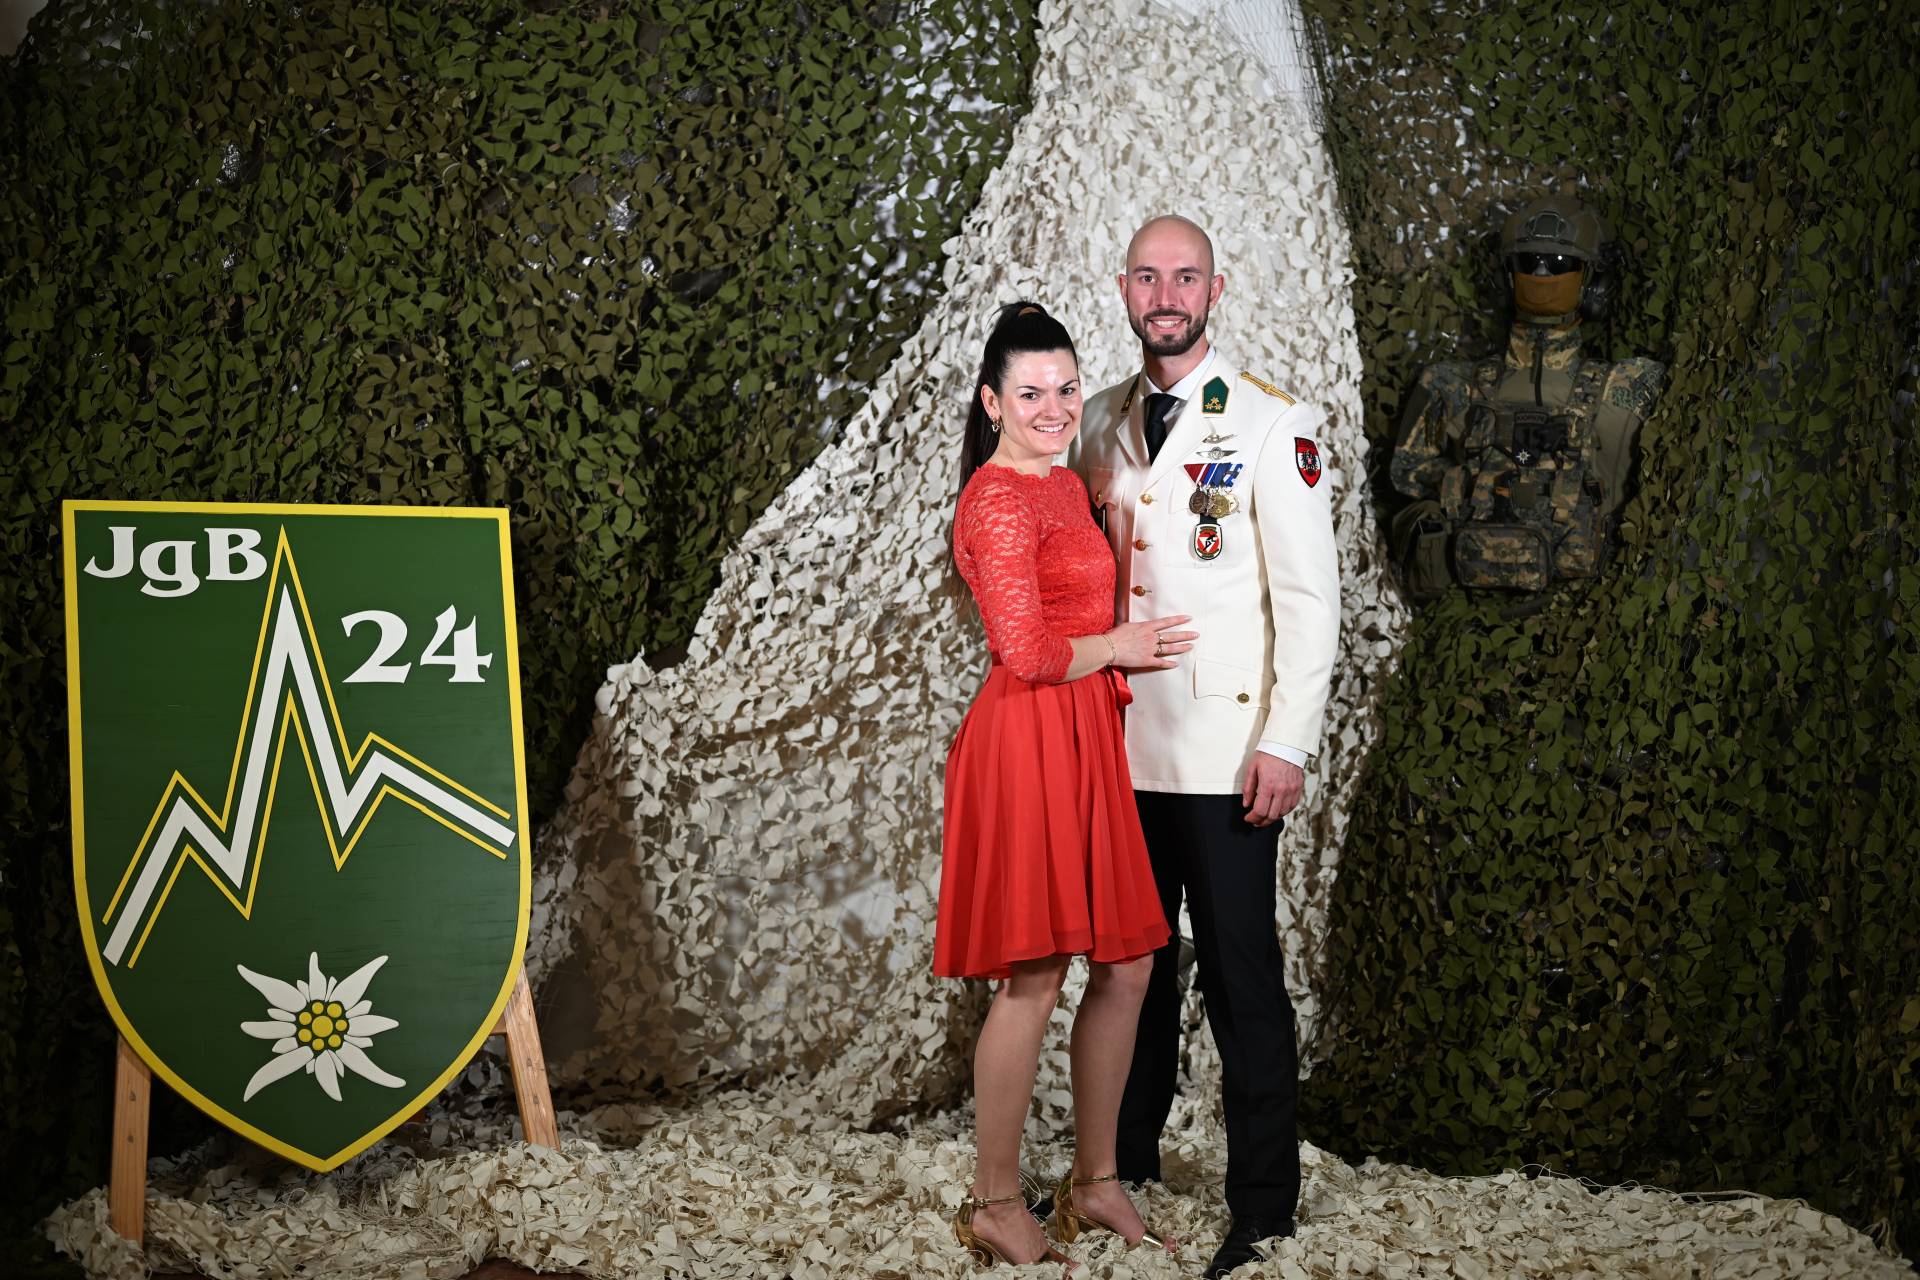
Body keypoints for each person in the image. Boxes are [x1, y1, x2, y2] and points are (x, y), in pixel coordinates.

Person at [1068, 217, 1341, 1279]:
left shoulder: (1272, 422)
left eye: (1186, 277)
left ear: (1215, 290)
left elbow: (1308, 600)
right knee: (1129, 973)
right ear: (1124, 289)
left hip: (1228, 756)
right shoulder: (1096, 420)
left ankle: (1263, 1207)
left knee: (1240, 978)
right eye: (1149, 277)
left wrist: (1288, 740)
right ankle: (1120, 1169)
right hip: (1120, 749)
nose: (1167, 295)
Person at [936, 301, 1191, 1271]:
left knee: (1128, 964)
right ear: (992, 401)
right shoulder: (998, 499)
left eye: (1067, 387)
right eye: (1031, 392)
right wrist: (1121, 645)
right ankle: (996, 1202)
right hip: (1028, 737)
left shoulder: (1066, 483)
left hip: (1085, 734)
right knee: (1035, 977)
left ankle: (1094, 1179)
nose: (1053, 407)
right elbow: (1030, 652)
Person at [1389, 193, 1665, 597]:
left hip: (1595, 608)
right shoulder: (1450, 385)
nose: (1541, 273)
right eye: (1528, 262)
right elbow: (1406, 475)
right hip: (1474, 610)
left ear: (1595, 283)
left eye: (1559, 264)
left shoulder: (1631, 385)